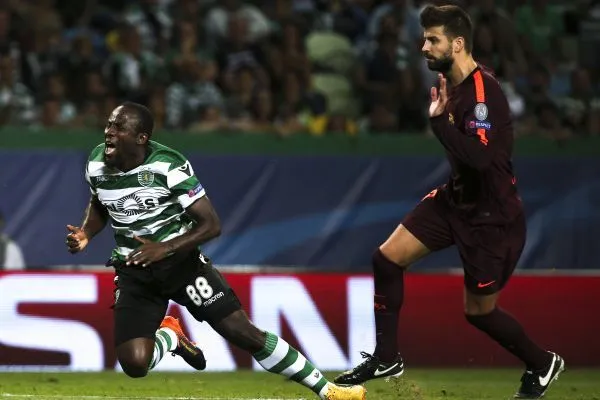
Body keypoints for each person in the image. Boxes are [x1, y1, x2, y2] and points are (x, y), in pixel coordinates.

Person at [334, 5, 564, 400]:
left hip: (491, 218)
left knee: (479, 313)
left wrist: (439, 124)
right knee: (386, 259)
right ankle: (386, 357)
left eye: (432, 39)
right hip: (455, 200)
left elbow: (482, 159)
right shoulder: (451, 84)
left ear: (457, 44)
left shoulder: (482, 94)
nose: (424, 47)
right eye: (424, 38)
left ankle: (542, 363)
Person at [65, 102, 366, 400]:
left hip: (182, 266)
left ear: (141, 138)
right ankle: (170, 336)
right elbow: (100, 202)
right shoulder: (96, 163)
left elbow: (211, 225)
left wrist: (164, 248)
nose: (109, 132)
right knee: (134, 364)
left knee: (243, 332)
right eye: (109, 125)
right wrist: (86, 233)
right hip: (135, 271)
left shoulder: (168, 166)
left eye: (119, 127)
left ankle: (329, 391)